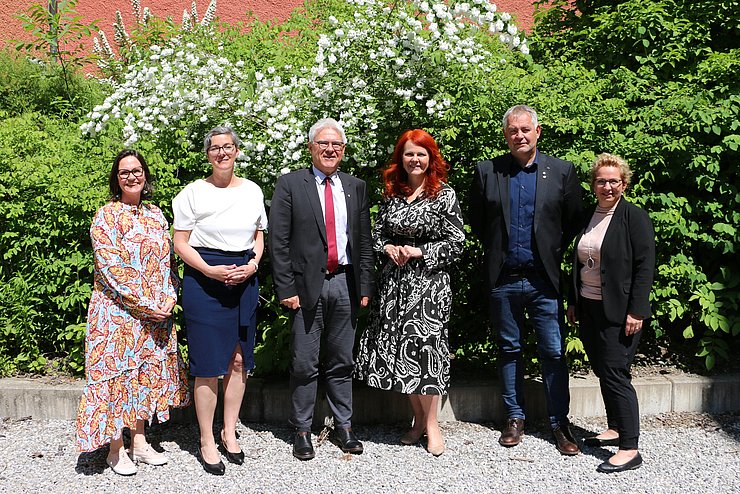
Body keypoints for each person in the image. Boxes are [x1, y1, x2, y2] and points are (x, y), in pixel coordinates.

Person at [468, 104, 584, 455]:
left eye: (525, 130)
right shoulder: (488, 171)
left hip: (543, 281)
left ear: (538, 132)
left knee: (552, 352)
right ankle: (514, 418)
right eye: (512, 131)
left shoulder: (561, 171)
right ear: (506, 136)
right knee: (508, 349)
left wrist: (551, 252)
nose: (519, 135)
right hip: (503, 279)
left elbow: (574, 220)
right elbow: (477, 222)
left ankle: (558, 423)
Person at [75, 149, 190, 476]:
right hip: (116, 314)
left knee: (142, 377)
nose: (131, 176)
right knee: (116, 378)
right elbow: (113, 269)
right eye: (124, 172)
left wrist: (168, 298)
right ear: (116, 178)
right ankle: (115, 450)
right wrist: (149, 306)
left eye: (136, 170)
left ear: (145, 175)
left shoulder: (156, 214)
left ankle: (139, 442)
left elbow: (167, 263)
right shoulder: (105, 216)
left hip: (154, 316)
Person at [269, 117, 375, 461]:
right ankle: (302, 428)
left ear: (343, 151)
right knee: (304, 361)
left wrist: (365, 286)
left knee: (342, 359)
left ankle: (344, 424)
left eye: (337, 145)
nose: (330, 150)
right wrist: (285, 286)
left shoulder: (355, 186)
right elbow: (279, 241)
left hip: (345, 282)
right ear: (311, 147)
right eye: (323, 144)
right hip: (304, 287)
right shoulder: (290, 184)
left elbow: (363, 241)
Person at [355, 129, 465, 456]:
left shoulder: (444, 195)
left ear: (431, 158)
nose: (414, 160)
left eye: (420, 154)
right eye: (408, 154)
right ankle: (417, 420)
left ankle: (432, 426)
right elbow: (375, 237)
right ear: (400, 159)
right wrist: (388, 247)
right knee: (403, 353)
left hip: (430, 285)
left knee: (425, 352)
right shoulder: (392, 194)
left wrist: (420, 253)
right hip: (395, 284)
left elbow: (457, 242)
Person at [172, 127, 267, 475]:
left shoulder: (253, 191)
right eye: (215, 148)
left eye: (228, 147)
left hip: (244, 278)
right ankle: (206, 439)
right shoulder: (193, 192)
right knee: (208, 365)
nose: (222, 153)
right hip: (204, 279)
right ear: (208, 154)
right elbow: (180, 242)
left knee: (239, 360)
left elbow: (259, 235)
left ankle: (229, 430)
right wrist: (210, 271)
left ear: (237, 151)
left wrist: (253, 264)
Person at [566, 153, 655, 473]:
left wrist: (638, 311)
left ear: (624, 184)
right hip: (589, 306)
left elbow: (645, 268)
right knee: (603, 369)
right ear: (593, 184)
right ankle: (615, 427)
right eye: (601, 181)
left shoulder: (634, 217)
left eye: (613, 181)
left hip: (621, 310)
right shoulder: (589, 214)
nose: (607, 186)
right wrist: (574, 300)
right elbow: (577, 261)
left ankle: (630, 447)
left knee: (616, 373)